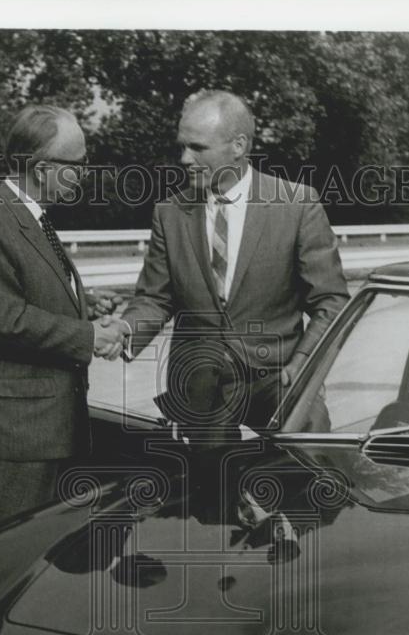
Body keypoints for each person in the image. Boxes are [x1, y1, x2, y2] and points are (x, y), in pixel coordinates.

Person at [121, 89, 349, 440]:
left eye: (197, 148)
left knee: (312, 474)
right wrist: (122, 332)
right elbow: (155, 298)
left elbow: (331, 301)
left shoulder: (297, 205)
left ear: (238, 146)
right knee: (210, 490)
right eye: (182, 146)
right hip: (200, 383)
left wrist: (302, 364)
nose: (184, 159)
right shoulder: (170, 213)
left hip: (279, 376)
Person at [0, 104, 130, 528]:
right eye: (77, 163)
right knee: (10, 570)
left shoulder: (30, 218)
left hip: (45, 432)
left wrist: (83, 302)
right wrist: (89, 337)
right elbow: (4, 321)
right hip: (17, 438)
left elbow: (31, 294)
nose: (84, 173)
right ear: (39, 167)